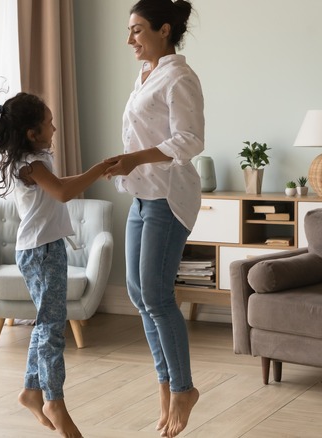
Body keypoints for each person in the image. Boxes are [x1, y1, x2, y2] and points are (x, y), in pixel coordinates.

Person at [0, 58, 114, 438]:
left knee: (47, 324)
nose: (55, 127)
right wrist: (98, 169)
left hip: (46, 248)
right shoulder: (29, 163)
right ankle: (54, 401)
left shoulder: (33, 158)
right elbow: (62, 193)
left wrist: (98, 169)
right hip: (41, 252)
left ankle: (31, 391)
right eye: (48, 123)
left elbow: (58, 186)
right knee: (51, 329)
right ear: (31, 133)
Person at [103, 1, 204, 437]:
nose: (130, 40)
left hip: (167, 196)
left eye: (138, 30)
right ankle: (165, 384)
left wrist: (133, 158)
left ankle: (184, 388)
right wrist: (128, 165)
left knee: (158, 296)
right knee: (138, 293)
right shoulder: (146, 74)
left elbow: (189, 139)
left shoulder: (180, 76)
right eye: (129, 30)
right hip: (141, 196)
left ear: (165, 30)